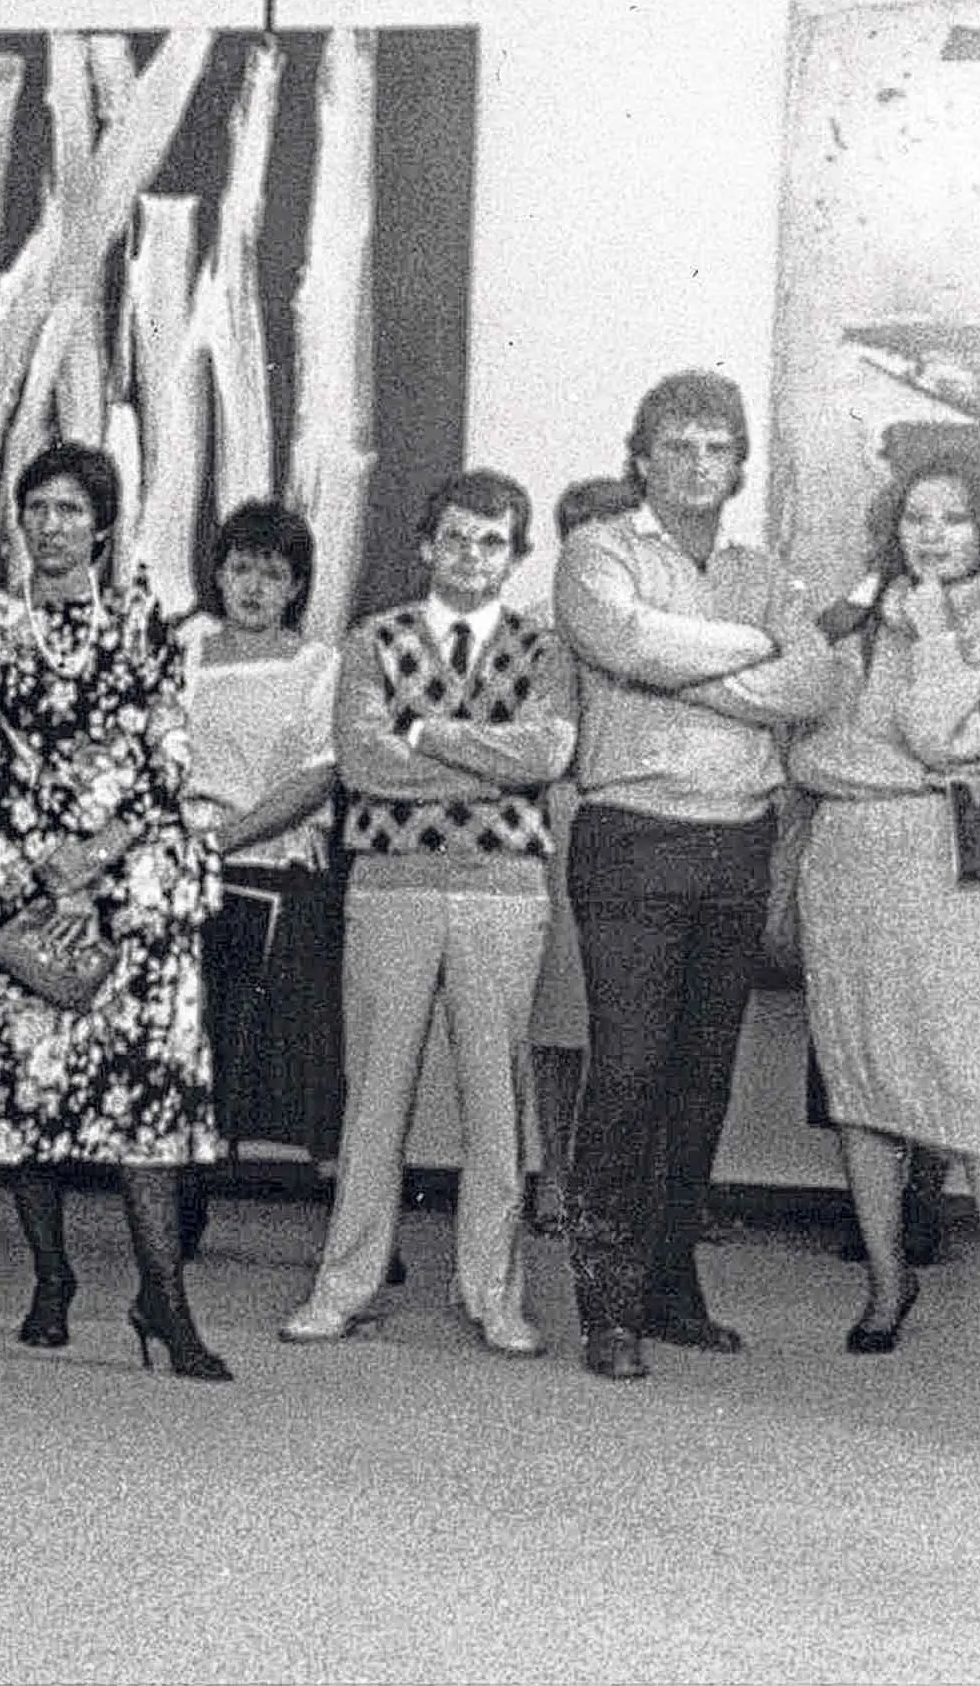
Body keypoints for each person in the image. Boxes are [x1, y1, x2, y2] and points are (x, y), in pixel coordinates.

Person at [553, 370, 833, 1382]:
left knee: (700, 1079)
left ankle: (670, 1287)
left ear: (740, 464)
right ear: (640, 456)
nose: (698, 464)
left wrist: (684, 666)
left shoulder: (764, 568)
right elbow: (619, 638)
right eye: (677, 446)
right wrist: (750, 652)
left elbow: (814, 681)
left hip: (738, 840)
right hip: (633, 835)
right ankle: (607, 1307)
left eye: (717, 448)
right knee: (626, 1070)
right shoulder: (598, 551)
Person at [0, 442, 228, 1378]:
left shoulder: (150, 623)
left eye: (70, 509)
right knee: (35, 1089)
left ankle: (165, 1301)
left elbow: (168, 752)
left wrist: (99, 856)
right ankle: (51, 1279)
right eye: (37, 508)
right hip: (25, 876)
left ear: (102, 523)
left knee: (143, 1098)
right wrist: (47, 860)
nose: (52, 524)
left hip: (133, 884)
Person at [281, 471, 578, 1358]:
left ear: (516, 556)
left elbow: (547, 752)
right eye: (455, 538)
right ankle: (345, 1284)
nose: (471, 556)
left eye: (492, 542)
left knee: (496, 1096)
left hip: (503, 892)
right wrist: (489, 763)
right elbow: (367, 767)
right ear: (426, 544)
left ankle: (493, 1292)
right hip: (391, 884)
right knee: (375, 1094)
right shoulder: (374, 640)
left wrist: (427, 732)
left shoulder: (544, 648)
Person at [789, 448, 980, 1353]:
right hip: (850, 866)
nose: (932, 535)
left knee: (962, 1074)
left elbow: (941, 735)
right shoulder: (855, 618)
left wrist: (938, 629)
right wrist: (902, 774)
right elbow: (807, 754)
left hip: (946, 871)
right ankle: (884, 1280)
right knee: (859, 1077)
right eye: (916, 519)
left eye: (952, 518)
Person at [178, 500, 344, 1252]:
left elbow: (317, 777)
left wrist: (232, 833)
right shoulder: (183, 647)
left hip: (274, 872)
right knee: (190, 1045)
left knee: (284, 1053)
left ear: (297, 585)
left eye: (272, 572)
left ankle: (359, 1232)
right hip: (183, 869)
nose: (252, 585)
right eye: (241, 566)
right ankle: (182, 1207)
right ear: (218, 571)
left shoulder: (317, 665)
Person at [526, 475, 644, 1233]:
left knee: (641, 1021)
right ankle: (556, 1177)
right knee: (562, 1018)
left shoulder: (655, 622)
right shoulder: (537, 626)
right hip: (566, 817)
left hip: (646, 818)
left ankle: (642, 1189)